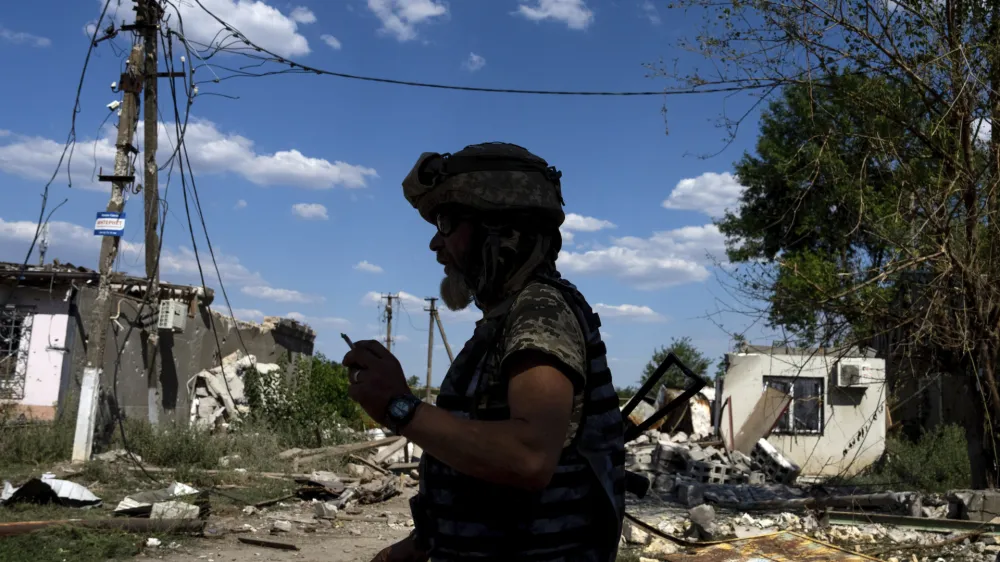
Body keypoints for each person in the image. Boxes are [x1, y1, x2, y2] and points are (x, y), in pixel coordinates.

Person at [343, 142, 625, 562]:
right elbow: (486, 476)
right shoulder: (506, 320)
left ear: (500, 228)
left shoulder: (539, 309)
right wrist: (420, 546)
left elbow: (528, 457)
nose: (435, 245)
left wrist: (398, 407)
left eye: (446, 223)